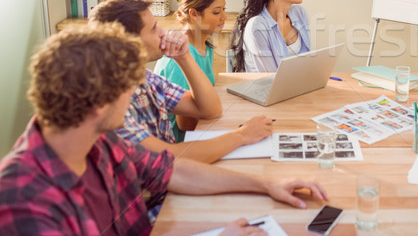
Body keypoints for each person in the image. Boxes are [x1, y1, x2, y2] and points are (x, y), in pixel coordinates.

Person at [0, 24, 327, 235]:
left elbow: (171, 172)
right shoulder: (23, 201)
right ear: (99, 104)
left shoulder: (101, 142)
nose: (134, 94)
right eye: (129, 86)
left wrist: (268, 185)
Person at [88, 0, 273, 164]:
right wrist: (241, 136)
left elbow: (210, 110)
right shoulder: (107, 102)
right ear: (127, 43)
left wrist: (184, 57)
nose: (163, 32)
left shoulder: (144, 77)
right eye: (153, 28)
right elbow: (168, 158)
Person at [154, 0, 256, 142]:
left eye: (224, 9)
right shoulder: (179, 58)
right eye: (216, 12)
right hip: (183, 142)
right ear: (193, 14)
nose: (224, 17)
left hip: (201, 128)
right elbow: (186, 125)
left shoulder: (204, 46)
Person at [231, 0, 310, 72]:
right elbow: (270, 78)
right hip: (266, 87)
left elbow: (305, 62)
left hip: (295, 86)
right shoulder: (257, 26)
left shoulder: (299, 13)